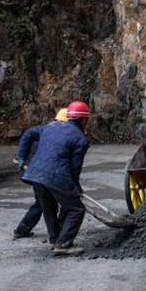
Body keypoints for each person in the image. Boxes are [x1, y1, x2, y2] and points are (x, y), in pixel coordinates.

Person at [21, 101, 91, 256]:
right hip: (55, 175)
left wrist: (20, 157)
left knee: (49, 208)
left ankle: (55, 239)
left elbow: (30, 135)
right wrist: (75, 189)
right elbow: (74, 169)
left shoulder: (50, 127)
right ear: (84, 120)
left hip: (35, 173)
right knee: (77, 209)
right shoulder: (80, 139)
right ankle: (63, 244)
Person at [12, 108, 69, 239]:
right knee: (47, 202)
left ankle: (22, 230)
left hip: (40, 173)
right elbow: (28, 134)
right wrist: (20, 157)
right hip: (38, 173)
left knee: (42, 202)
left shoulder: (56, 133)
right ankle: (56, 235)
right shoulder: (48, 131)